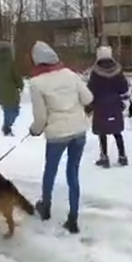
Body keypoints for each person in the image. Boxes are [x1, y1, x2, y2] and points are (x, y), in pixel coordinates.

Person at [28, 41, 93, 234]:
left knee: (50, 170)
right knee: (73, 173)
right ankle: (73, 218)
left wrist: (35, 130)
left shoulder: (36, 83)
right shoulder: (70, 75)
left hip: (57, 135)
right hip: (79, 131)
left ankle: (45, 207)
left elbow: (40, 118)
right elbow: (88, 98)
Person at [87, 46, 130, 168]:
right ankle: (122, 156)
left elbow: (91, 89)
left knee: (102, 132)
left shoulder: (95, 72)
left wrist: (90, 103)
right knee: (117, 131)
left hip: (100, 105)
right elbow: (124, 88)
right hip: (115, 104)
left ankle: (104, 157)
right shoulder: (118, 70)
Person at [0, 40, 24, 136]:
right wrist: (21, 85)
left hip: (1, 89)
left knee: (7, 109)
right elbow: (16, 75)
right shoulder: (10, 62)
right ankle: (6, 127)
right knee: (14, 111)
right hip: (11, 90)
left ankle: (6, 126)